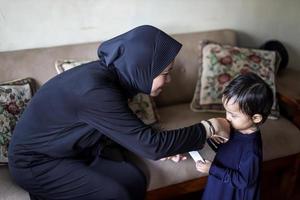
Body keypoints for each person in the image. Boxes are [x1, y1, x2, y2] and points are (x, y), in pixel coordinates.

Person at [8, 25, 230, 200]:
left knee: (132, 178)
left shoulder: (113, 77)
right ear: (142, 67)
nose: (169, 80)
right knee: (116, 193)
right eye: (165, 73)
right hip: (36, 163)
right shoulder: (96, 90)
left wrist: (162, 147)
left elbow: (122, 128)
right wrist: (210, 127)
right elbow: (151, 145)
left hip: (74, 149)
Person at [196, 72, 274, 200]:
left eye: (234, 115)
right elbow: (230, 154)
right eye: (227, 111)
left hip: (232, 192)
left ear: (255, 118)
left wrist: (212, 169)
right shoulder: (236, 129)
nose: (227, 117)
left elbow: (243, 181)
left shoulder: (252, 149)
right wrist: (213, 139)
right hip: (221, 184)